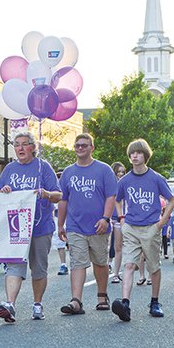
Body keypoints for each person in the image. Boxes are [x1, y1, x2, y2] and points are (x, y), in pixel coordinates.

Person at [0, 132, 61, 323]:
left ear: (33, 147)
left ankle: (37, 304)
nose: (21, 148)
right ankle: (9, 305)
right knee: (14, 266)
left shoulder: (43, 167)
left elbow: (58, 195)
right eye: (17, 145)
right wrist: (3, 191)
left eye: (25, 144)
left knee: (39, 268)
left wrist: (45, 193)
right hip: (16, 227)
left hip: (41, 227)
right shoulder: (9, 169)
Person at [111, 139, 174, 322]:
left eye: (138, 153)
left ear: (145, 155)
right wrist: (121, 218)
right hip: (131, 227)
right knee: (129, 264)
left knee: (153, 266)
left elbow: (171, 200)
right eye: (132, 153)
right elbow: (117, 199)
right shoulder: (125, 180)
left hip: (151, 227)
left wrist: (161, 222)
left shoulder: (155, 178)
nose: (134, 156)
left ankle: (155, 302)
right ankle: (125, 304)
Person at [57, 133, 117, 315]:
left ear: (92, 147)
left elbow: (111, 196)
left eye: (84, 145)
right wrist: (60, 225)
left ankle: (102, 296)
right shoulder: (68, 172)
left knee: (100, 262)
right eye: (77, 145)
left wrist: (105, 218)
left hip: (99, 226)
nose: (80, 148)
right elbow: (63, 200)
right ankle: (76, 301)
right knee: (77, 262)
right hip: (75, 226)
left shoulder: (104, 170)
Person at [109, 162, 126, 284]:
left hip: (120, 218)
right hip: (108, 217)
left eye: (122, 172)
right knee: (105, 246)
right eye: (118, 171)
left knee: (118, 247)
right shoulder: (110, 184)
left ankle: (116, 274)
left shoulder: (125, 184)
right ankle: (106, 266)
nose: (120, 174)